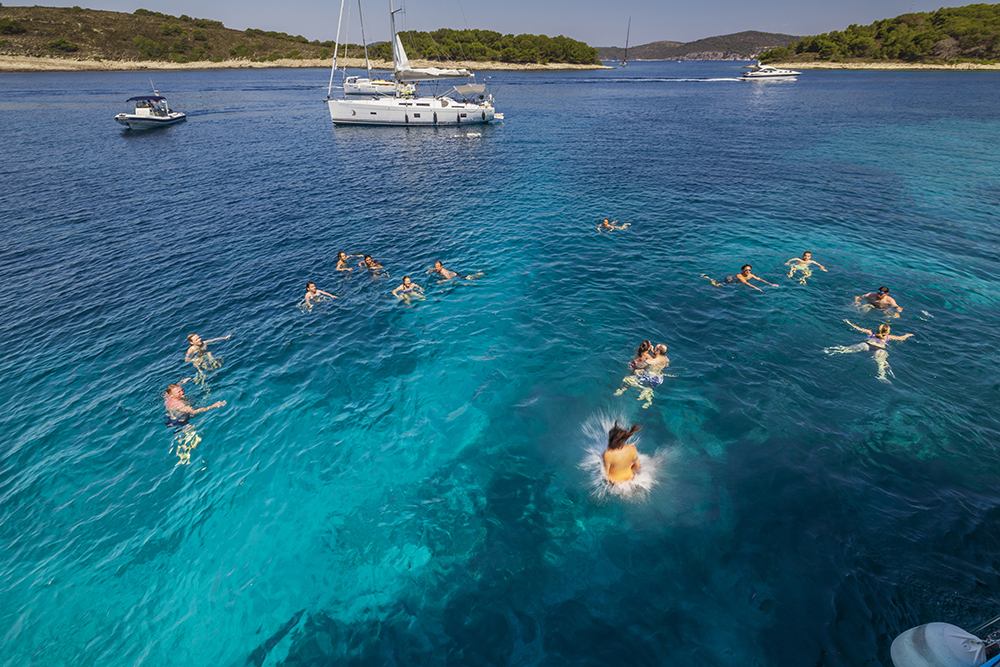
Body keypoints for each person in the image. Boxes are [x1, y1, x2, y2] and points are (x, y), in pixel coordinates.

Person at [824, 319, 914, 382]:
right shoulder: (888, 337)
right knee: (881, 365)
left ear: (877, 329)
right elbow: (901, 338)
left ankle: (830, 351)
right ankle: (882, 376)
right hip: (879, 350)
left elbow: (858, 328)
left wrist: (849, 323)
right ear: (887, 332)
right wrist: (908, 335)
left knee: (846, 349)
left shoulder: (871, 333)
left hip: (866, 345)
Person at [163, 379, 226, 465]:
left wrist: (182, 382)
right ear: (171, 395)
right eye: (179, 392)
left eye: (181, 390)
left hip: (171, 418)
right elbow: (194, 412)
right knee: (194, 438)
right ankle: (185, 458)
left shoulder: (168, 397)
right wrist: (214, 406)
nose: (182, 392)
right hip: (180, 422)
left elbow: (167, 391)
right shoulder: (179, 405)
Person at [702, 264, 777, 292]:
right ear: (742, 270)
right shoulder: (739, 276)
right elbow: (745, 282)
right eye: (746, 270)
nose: (748, 271)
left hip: (737, 281)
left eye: (749, 270)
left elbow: (759, 279)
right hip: (729, 279)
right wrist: (756, 287)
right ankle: (708, 278)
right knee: (718, 285)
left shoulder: (751, 275)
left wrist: (771, 284)